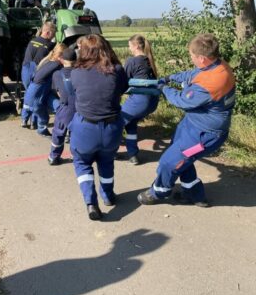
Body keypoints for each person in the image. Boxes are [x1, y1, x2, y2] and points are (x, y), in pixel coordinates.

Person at [138, 33, 236, 208]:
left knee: (169, 162)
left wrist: (164, 88)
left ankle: (159, 192)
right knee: (182, 157)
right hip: (193, 123)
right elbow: (193, 74)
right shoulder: (215, 65)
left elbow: (182, 100)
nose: (190, 58)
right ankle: (194, 194)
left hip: (205, 134)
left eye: (191, 55)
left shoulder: (213, 82)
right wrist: (170, 78)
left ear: (202, 58)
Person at [69, 34, 128, 220]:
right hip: (111, 129)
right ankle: (108, 196)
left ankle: (91, 202)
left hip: (85, 128)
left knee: (82, 163)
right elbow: (123, 88)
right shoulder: (117, 70)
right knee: (106, 161)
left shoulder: (76, 72)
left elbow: (74, 93)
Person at [120, 35, 160, 165]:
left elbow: (122, 81)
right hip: (152, 101)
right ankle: (133, 154)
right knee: (130, 124)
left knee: (115, 122)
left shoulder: (132, 61)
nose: (129, 48)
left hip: (140, 101)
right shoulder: (149, 60)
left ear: (136, 46)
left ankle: (107, 151)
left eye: (130, 45)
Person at [21, 43, 66, 136]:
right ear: (61, 56)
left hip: (44, 94)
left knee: (60, 108)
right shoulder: (56, 65)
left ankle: (62, 131)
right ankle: (42, 130)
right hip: (36, 97)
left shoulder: (47, 61)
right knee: (44, 117)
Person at [48, 48, 77, 166]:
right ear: (76, 60)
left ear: (62, 60)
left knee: (58, 133)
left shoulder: (57, 74)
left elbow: (58, 92)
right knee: (76, 134)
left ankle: (54, 157)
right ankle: (76, 156)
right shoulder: (81, 73)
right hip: (80, 108)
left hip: (65, 109)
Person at [21, 22, 56, 92]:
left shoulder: (32, 41)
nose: (54, 35)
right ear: (48, 33)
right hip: (36, 73)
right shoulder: (49, 45)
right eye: (53, 33)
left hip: (25, 72)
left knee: (29, 93)